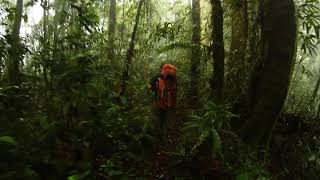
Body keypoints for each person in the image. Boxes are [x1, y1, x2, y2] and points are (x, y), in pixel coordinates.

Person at [148, 63, 177, 141]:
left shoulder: (157, 76)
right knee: (166, 117)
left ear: (161, 69)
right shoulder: (173, 77)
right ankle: (166, 134)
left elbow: (150, 87)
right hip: (169, 102)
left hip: (159, 100)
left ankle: (158, 134)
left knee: (158, 116)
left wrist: (155, 89)